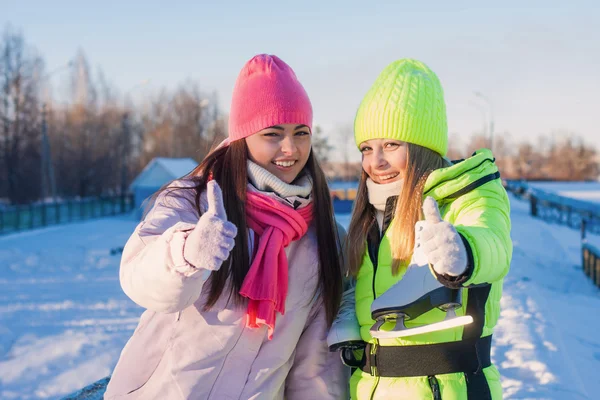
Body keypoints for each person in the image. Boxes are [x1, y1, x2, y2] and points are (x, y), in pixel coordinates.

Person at [104, 54, 348, 400]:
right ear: (243, 137)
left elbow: (315, 364)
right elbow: (138, 281)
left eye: (301, 133)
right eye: (273, 134)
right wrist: (186, 254)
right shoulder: (195, 200)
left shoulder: (322, 235)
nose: (290, 148)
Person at [330, 58, 512, 399]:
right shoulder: (371, 214)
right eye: (366, 149)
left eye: (391, 145)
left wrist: (463, 253)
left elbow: (495, 244)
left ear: (423, 147)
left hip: (445, 387)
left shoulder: (467, 194)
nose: (376, 162)